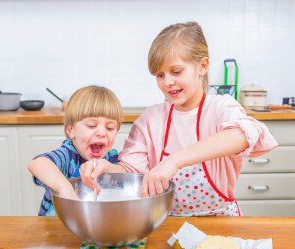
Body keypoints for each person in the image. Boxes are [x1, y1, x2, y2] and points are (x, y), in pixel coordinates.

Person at [79, 21, 278, 216]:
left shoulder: (220, 108)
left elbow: (244, 135)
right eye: (160, 75)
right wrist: (109, 168)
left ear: (202, 66)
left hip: (220, 223)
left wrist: (174, 162)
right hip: (166, 224)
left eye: (176, 72)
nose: (168, 82)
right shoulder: (150, 120)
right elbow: (132, 171)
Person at [28, 85, 123, 216]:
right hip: (56, 227)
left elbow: (128, 175)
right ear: (71, 130)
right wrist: (65, 189)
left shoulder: (111, 158)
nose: (102, 133)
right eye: (91, 125)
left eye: (110, 128)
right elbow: (37, 164)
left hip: (95, 226)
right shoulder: (68, 155)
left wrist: (110, 168)